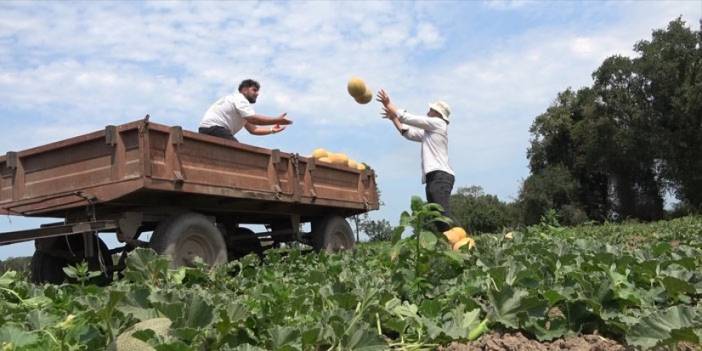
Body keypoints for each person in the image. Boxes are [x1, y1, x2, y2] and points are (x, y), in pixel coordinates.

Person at [376, 89, 455, 232]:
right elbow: (407, 133)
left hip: (440, 176)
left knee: (443, 216)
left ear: (438, 114)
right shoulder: (430, 132)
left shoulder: (438, 123)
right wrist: (393, 118)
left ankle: (461, 245)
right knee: (438, 217)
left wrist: (389, 104)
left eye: (431, 110)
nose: (428, 111)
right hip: (434, 177)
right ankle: (451, 245)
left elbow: (408, 118)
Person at [199, 79, 292, 142]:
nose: (257, 94)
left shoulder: (239, 106)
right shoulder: (240, 98)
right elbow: (253, 119)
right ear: (244, 90)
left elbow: (254, 129)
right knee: (239, 154)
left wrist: (272, 129)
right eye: (254, 90)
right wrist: (277, 120)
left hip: (209, 129)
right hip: (214, 129)